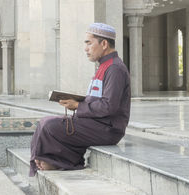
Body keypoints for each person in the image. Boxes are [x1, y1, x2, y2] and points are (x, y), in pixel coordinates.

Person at [30, 23, 131, 176]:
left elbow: (109, 106)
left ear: (104, 44)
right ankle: (47, 160)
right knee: (45, 122)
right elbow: (99, 100)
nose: (86, 48)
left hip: (107, 129)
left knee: (49, 125)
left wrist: (78, 105)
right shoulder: (104, 66)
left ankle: (54, 161)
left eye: (89, 43)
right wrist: (77, 102)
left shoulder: (115, 68)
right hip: (96, 124)